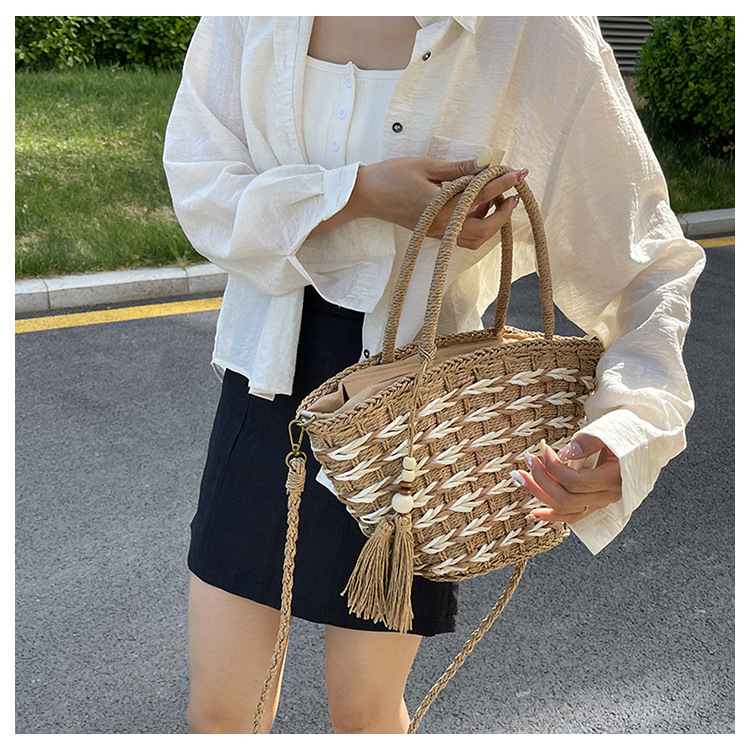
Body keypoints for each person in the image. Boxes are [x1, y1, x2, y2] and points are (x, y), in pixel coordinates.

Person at [163, 16, 705, 734]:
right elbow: (201, 185)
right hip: (267, 384)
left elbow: (645, 263)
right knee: (220, 715)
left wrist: (629, 429)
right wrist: (358, 192)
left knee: (363, 713)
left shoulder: (533, 28)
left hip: (419, 421)